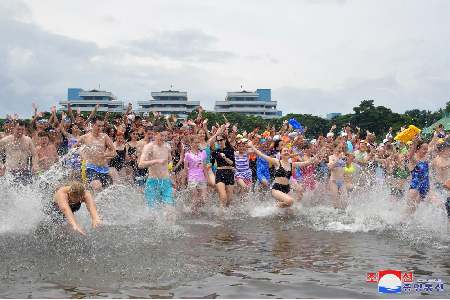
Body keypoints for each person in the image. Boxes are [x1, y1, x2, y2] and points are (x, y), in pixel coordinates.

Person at [248, 141, 324, 208]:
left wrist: (318, 154)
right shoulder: (277, 162)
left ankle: (278, 210)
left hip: (287, 188)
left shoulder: (292, 164)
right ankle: (274, 208)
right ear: (280, 154)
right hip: (277, 188)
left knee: (291, 211)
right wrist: (252, 147)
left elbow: (307, 162)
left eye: (288, 151)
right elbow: (262, 156)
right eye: (284, 151)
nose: (286, 152)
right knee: (290, 201)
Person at [138, 125, 175, 219]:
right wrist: (156, 161)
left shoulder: (167, 147)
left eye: (166, 136)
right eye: (161, 136)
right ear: (155, 135)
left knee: (170, 211)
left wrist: (171, 175)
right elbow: (141, 164)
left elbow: (170, 161)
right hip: (153, 182)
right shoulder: (148, 147)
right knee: (154, 214)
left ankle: (169, 232)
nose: (164, 138)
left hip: (166, 182)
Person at [72, 116, 116, 193]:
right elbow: (74, 148)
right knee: (97, 187)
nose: (101, 128)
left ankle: (92, 204)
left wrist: (106, 154)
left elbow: (114, 153)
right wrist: (65, 158)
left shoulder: (105, 137)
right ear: (92, 126)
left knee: (101, 191)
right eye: (99, 126)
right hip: (91, 167)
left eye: (102, 126)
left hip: (104, 168)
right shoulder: (85, 137)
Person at [404, 131, 439, 219]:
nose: (426, 151)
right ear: (417, 149)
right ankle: (398, 226)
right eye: (424, 149)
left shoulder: (425, 158)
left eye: (426, 149)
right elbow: (411, 157)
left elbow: (430, 146)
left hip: (426, 189)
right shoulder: (415, 160)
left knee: (439, 204)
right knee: (409, 214)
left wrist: (436, 134)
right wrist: (414, 144)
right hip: (415, 190)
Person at [0, 120, 38, 185]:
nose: (20, 131)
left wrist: (34, 165)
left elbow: (34, 154)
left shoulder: (28, 140)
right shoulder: (5, 140)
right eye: (18, 129)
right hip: (10, 171)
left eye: (22, 129)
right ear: (13, 129)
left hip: (24, 171)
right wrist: (0, 165)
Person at [184, 135, 211, 212]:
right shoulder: (188, 154)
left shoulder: (202, 153)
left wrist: (208, 179)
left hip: (202, 178)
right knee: (195, 198)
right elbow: (185, 169)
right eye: (195, 142)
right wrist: (183, 182)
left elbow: (204, 167)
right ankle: (191, 212)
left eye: (198, 142)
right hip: (192, 178)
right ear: (191, 143)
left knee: (204, 200)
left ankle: (194, 210)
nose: (197, 144)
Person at [211, 133, 235, 208]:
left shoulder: (230, 149)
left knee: (230, 199)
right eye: (217, 141)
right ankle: (221, 213)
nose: (219, 142)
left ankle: (225, 210)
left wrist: (225, 158)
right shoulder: (215, 151)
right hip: (219, 173)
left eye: (221, 140)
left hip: (229, 173)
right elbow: (211, 163)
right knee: (223, 196)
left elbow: (232, 163)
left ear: (225, 140)